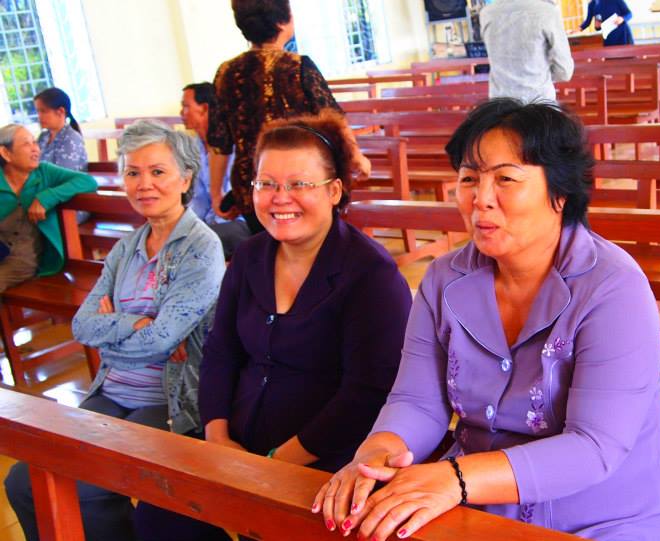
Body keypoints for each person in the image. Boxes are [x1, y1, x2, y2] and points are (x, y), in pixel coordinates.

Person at [315, 99, 660, 541]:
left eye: (505, 179)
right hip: (477, 504)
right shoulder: (443, 279)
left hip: (603, 518)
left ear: (560, 194)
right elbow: (417, 402)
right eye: (469, 178)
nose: (481, 198)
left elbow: (594, 446)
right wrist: (377, 455)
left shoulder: (612, 287)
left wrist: (455, 478)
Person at [132, 111, 412, 541]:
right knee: (159, 516)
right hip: (236, 447)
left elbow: (366, 394)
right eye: (267, 184)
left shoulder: (371, 273)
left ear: (334, 190)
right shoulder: (249, 256)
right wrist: (218, 439)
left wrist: (271, 464)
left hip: (324, 459)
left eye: (299, 184)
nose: (281, 198)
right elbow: (221, 352)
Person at [3, 120, 225, 541]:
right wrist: (135, 324)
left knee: (89, 486)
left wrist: (116, 333)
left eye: (157, 171)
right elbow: (82, 325)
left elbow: (160, 339)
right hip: (110, 390)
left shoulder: (201, 247)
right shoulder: (126, 248)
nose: (144, 184)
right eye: (133, 172)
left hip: (168, 401)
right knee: (22, 483)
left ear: (185, 178)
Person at [208, 0, 370, 234]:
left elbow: (219, 142)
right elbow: (333, 119)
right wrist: (356, 157)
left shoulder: (226, 72)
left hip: (253, 184)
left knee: (270, 245)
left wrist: (216, 193)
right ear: (282, 21)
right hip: (301, 180)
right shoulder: (298, 66)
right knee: (312, 244)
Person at [0, 123, 96, 293]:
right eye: (26, 144)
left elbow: (88, 181)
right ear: (5, 153)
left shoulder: (44, 172)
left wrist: (47, 197)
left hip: (25, 257)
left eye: (34, 142)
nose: (35, 149)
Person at [180, 82, 249, 257]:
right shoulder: (192, 148)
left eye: (186, 106)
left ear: (204, 109)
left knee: (195, 242)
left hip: (238, 222)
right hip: (211, 224)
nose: (181, 113)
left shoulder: (234, 146)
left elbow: (230, 204)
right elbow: (198, 199)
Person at [480, 0, 574, 104]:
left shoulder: (487, 13)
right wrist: (538, 75)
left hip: (499, 105)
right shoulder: (547, 11)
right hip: (539, 103)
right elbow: (564, 72)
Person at [34, 87, 88, 172]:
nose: (39, 116)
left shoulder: (72, 139)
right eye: (38, 111)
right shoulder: (43, 137)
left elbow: (62, 175)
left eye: (43, 111)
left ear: (60, 111)